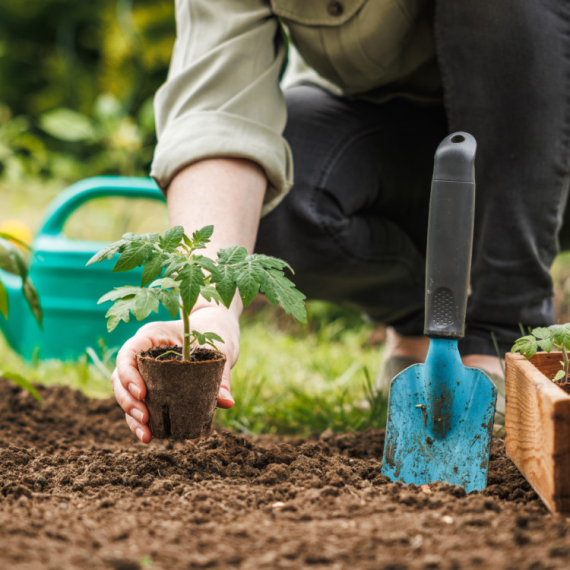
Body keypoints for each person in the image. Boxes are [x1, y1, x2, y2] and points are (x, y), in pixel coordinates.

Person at [112, 0, 570, 443]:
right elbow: (217, 108)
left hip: (548, 140)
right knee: (278, 197)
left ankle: (505, 330)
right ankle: (424, 322)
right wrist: (209, 314)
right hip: (381, 137)